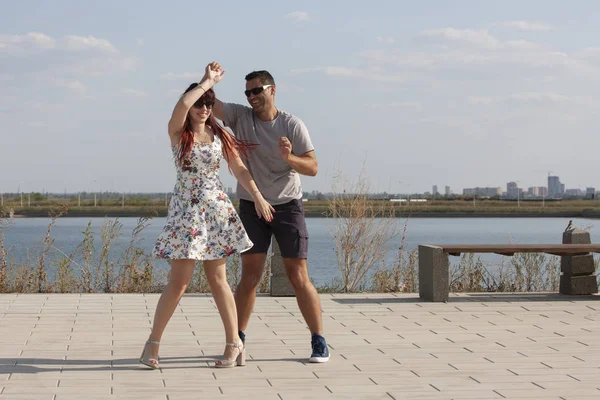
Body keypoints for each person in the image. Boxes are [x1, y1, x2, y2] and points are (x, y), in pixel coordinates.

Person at [140, 63, 275, 369]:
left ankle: (233, 343)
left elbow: (238, 167)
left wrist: (257, 196)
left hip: (216, 212)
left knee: (219, 280)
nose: (203, 108)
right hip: (186, 215)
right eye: (200, 103)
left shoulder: (219, 134)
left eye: (209, 103)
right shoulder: (179, 132)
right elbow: (183, 104)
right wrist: (205, 82)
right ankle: (153, 343)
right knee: (179, 282)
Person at [211, 63, 329, 363]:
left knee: (297, 275)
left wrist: (289, 158)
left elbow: (313, 168)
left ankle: (318, 340)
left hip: (288, 206)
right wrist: (207, 79)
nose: (251, 96)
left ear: (272, 90)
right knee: (250, 276)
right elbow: (207, 101)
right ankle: (237, 339)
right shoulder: (240, 116)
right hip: (252, 206)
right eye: (247, 92)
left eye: (257, 90)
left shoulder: (292, 125)